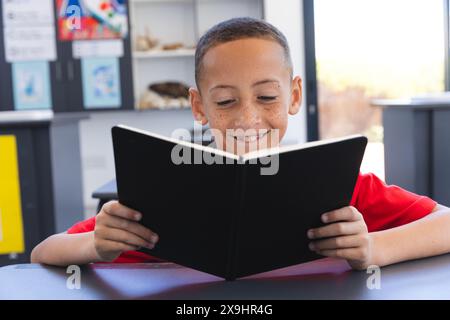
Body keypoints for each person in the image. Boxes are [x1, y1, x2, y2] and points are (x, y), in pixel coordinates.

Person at [31, 17, 450, 270]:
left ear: (294, 96)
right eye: (227, 102)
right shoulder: (159, 196)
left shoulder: (344, 187)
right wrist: (95, 245)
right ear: (199, 106)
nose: (249, 119)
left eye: (267, 97)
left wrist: (373, 248)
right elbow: (42, 252)